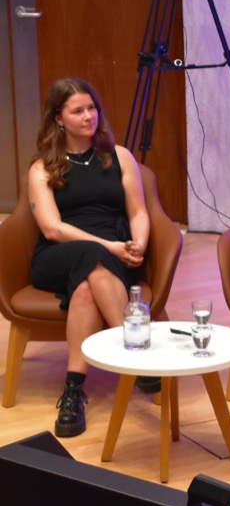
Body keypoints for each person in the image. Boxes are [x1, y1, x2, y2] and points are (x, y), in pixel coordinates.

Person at [28, 77, 154, 438]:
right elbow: (52, 228)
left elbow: (138, 212)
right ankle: (135, 354)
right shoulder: (42, 168)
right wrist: (108, 246)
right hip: (58, 255)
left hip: (115, 254)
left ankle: (72, 392)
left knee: (84, 290)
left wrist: (138, 244)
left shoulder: (119, 157)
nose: (89, 116)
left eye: (92, 108)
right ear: (58, 118)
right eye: (78, 111)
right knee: (91, 253)